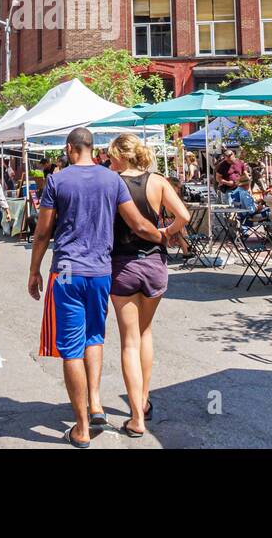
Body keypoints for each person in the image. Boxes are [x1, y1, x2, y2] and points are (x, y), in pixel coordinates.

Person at [29, 127, 166, 448]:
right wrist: (164, 236)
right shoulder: (112, 180)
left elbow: (42, 233)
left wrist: (34, 270)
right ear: (93, 148)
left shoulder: (57, 181)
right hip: (102, 271)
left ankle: (81, 428)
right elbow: (138, 224)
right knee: (94, 338)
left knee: (71, 349)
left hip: (66, 272)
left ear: (69, 148)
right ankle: (95, 405)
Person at [106, 133, 190, 438]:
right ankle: (143, 400)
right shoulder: (158, 181)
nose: (109, 160)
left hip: (122, 265)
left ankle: (136, 418)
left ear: (121, 155)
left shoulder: (113, 182)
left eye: (111, 155)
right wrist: (166, 232)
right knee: (145, 332)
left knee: (129, 340)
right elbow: (184, 215)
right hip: (155, 264)